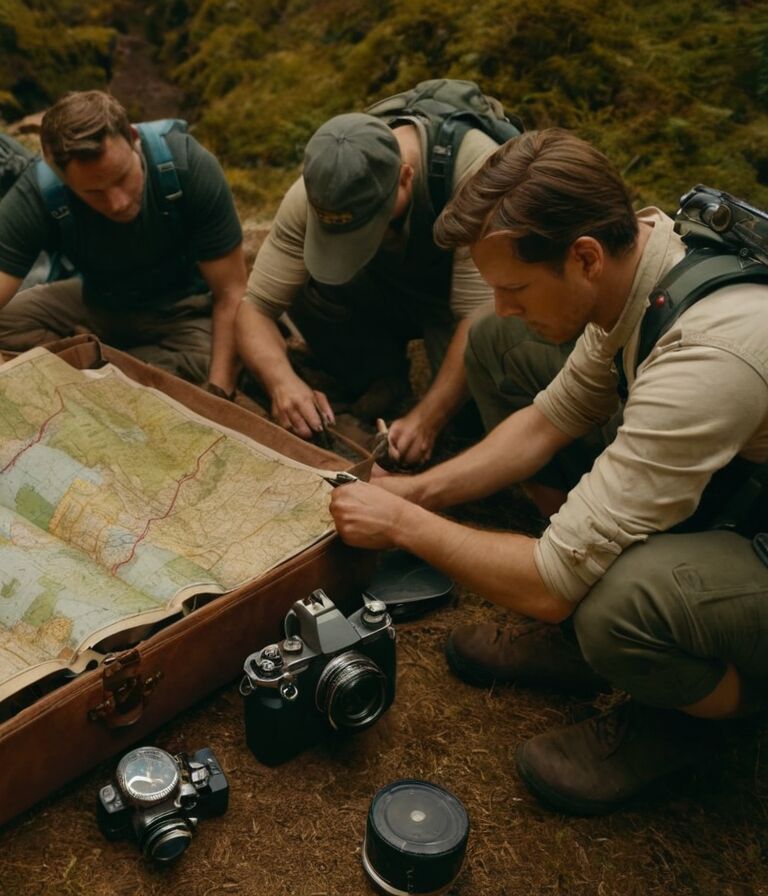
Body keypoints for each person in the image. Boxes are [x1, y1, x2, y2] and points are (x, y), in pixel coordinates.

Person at [329, 128, 768, 815]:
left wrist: (406, 524)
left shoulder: (708, 356)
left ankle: (712, 714)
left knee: (615, 606)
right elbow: (548, 420)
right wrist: (416, 489)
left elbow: (553, 585)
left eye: (515, 287)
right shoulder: (637, 263)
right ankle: (607, 611)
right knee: (504, 348)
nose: (499, 305)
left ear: (584, 257)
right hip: (737, 483)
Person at [236, 110, 499, 465]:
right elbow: (255, 308)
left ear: (406, 177)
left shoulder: (474, 175)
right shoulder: (315, 194)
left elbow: (479, 321)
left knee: (470, 420)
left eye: (365, 228)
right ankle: (379, 379)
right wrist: (281, 381)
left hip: (453, 304)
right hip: (380, 289)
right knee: (304, 285)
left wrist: (428, 420)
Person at [0, 90, 247, 395]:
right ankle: (121, 369)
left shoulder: (188, 167)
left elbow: (231, 292)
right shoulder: (39, 193)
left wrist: (218, 394)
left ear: (132, 137)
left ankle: (93, 363)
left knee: (217, 358)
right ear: (59, 174)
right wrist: (8, 389)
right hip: (97, 300)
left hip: (181, 311)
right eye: (94, 192)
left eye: (123, 177)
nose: (118, 203)